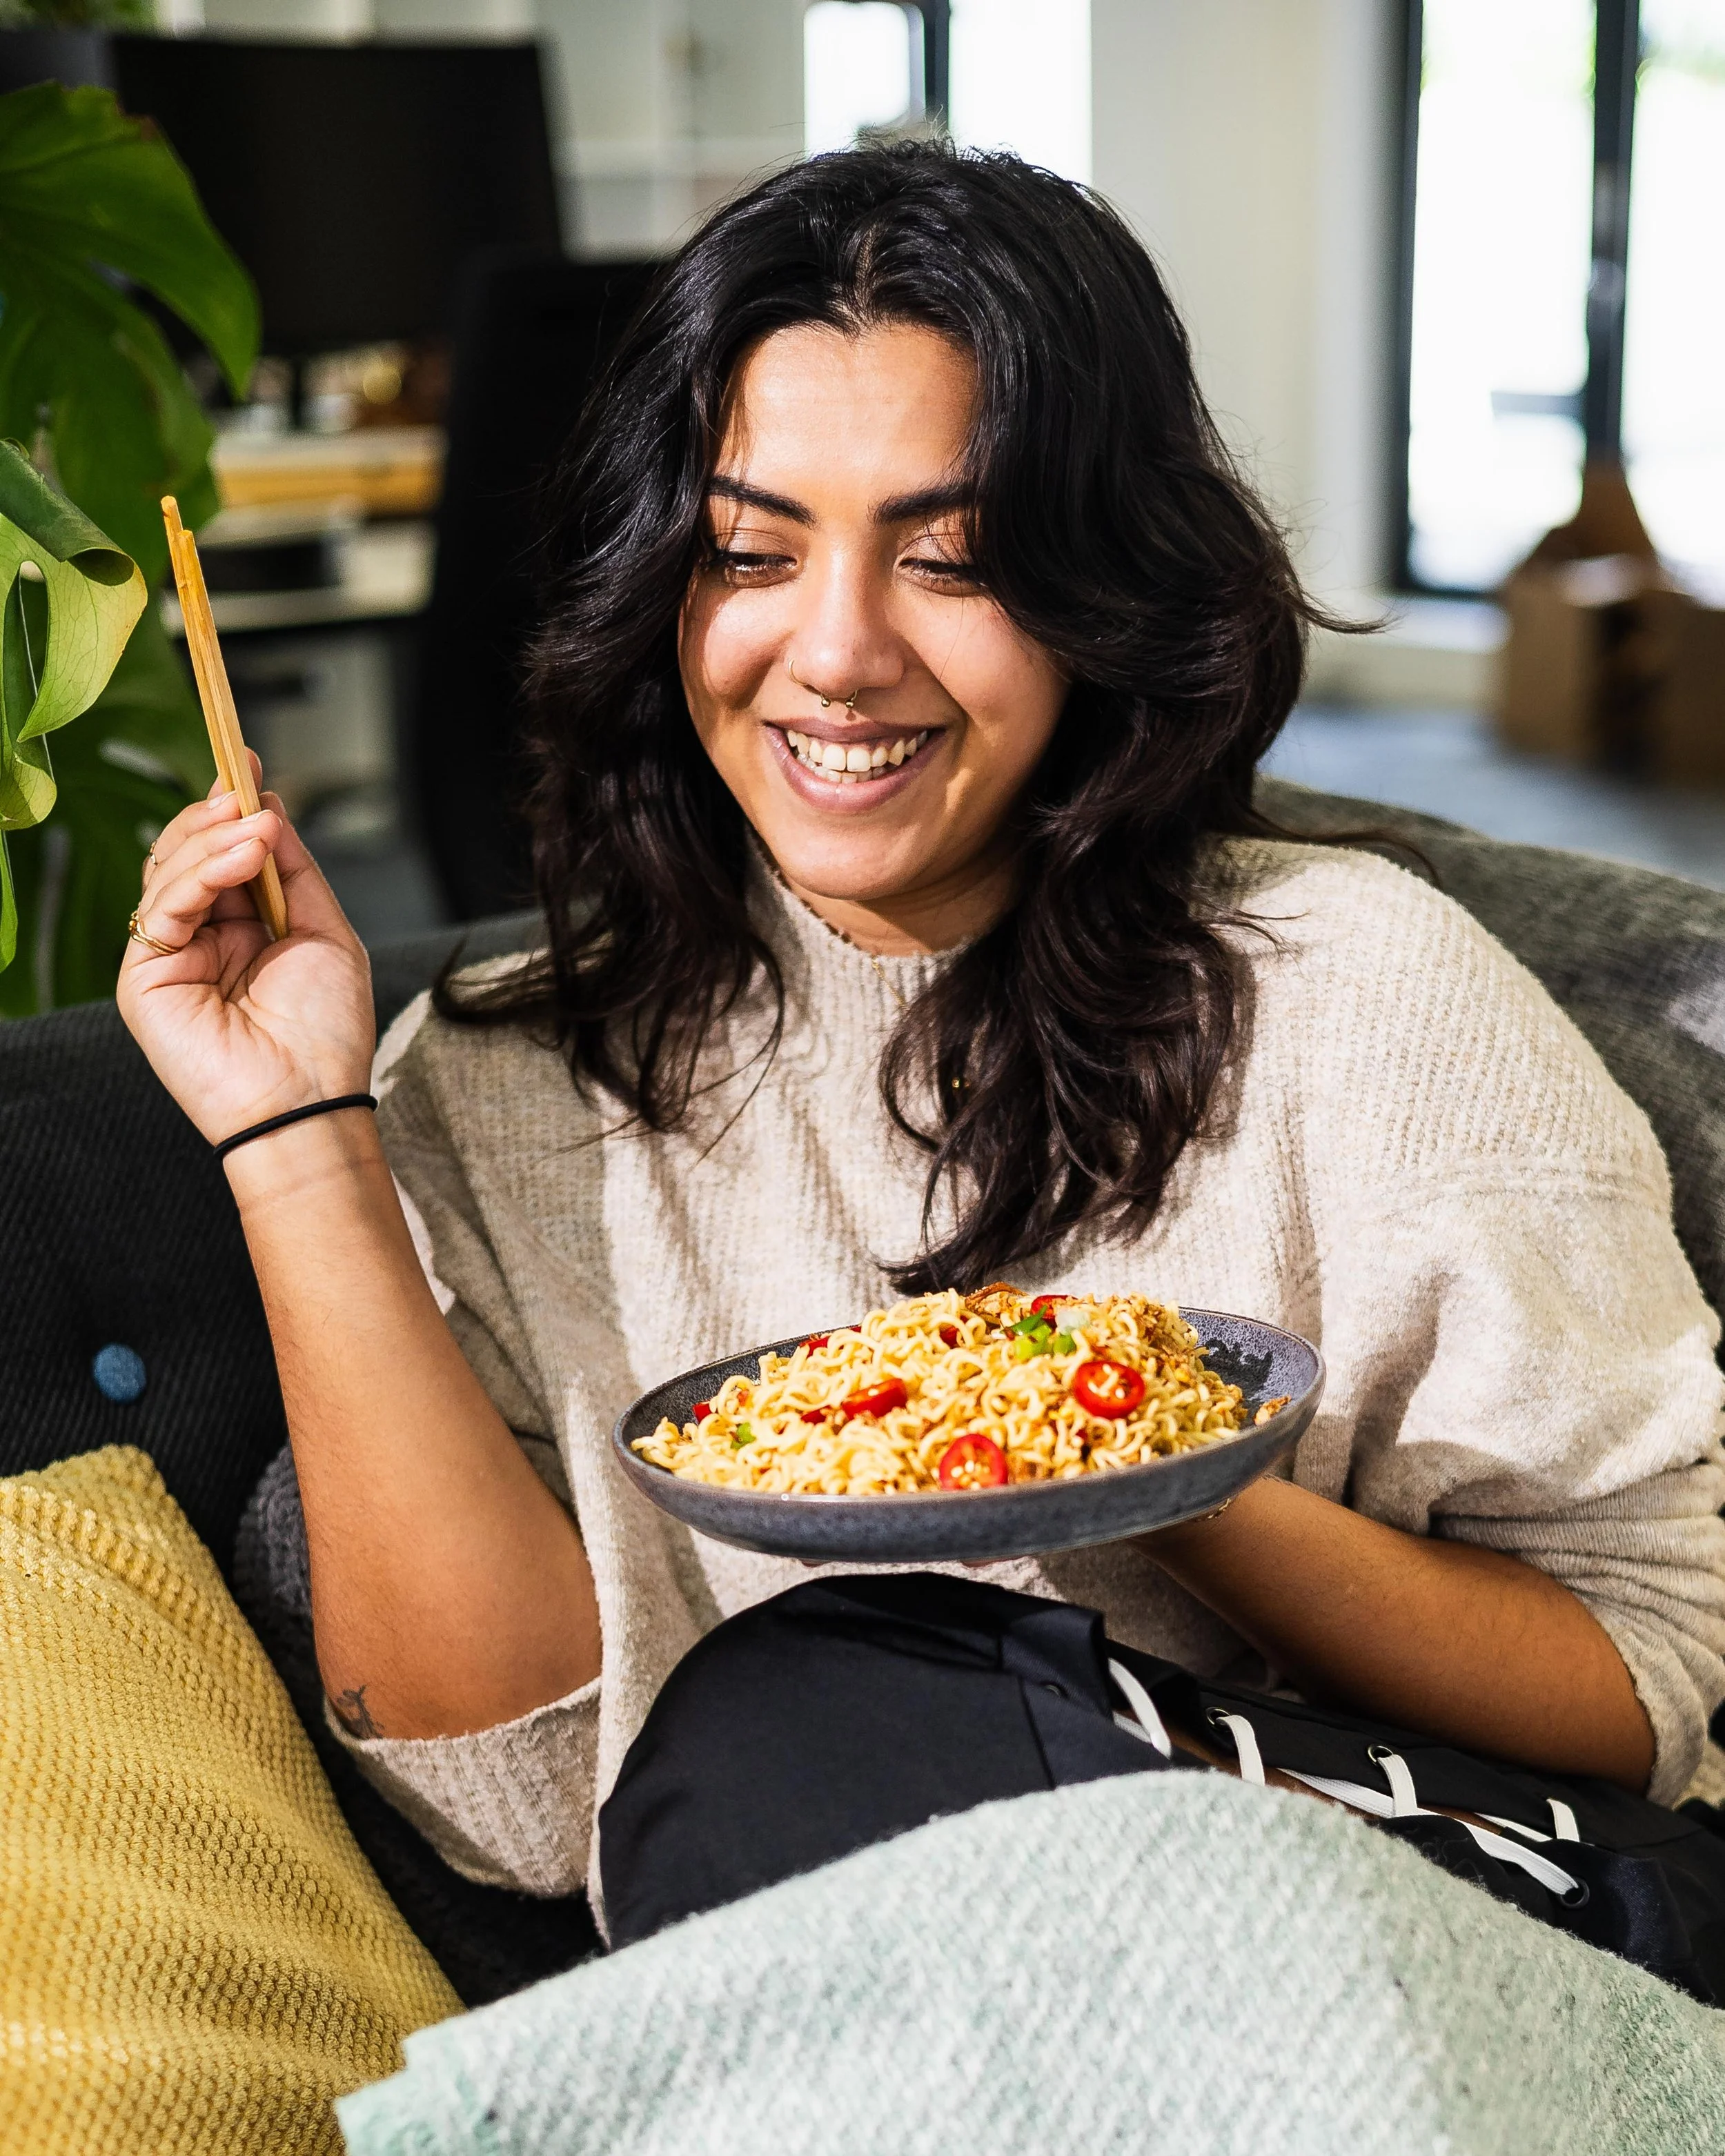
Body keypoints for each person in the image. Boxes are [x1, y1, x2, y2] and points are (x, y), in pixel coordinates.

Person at [119, 145, 1724, 1913]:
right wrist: (296, 1142)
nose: (835, 651)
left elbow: (1638, 1681)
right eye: (747, 549)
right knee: (771, 1745)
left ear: (1098, 588)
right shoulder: (502, 1080)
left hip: (1338, 1943)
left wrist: (1126, 1457)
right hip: (781, 1988)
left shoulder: (1363, 999)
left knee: (807, 1724)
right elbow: (520, 1799)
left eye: (947, 558)